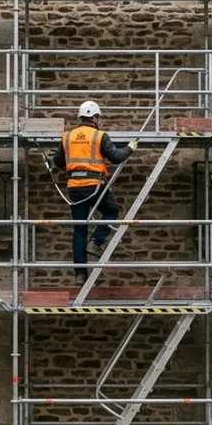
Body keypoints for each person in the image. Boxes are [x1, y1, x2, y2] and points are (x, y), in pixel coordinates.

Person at [53, 101, 138, 286]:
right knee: (112, 211)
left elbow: (58, 161)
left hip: (74, 188)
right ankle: (96, 241)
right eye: (98, 117)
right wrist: (131, 148)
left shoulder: (67, 137)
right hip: (94, 185)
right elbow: (116, 156)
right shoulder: (99, 136)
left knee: (79, 231)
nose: (99, 120)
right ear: (94, 118)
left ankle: (80, 275)